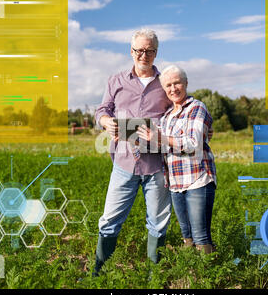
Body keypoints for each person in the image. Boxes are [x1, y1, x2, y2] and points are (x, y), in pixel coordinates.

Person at [93, 28, 173, 276]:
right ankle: (98, 273)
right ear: (132, 51)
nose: (144, 55)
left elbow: (181, 110)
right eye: (139, 50)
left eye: (149, 51)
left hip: (156, 166)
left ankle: (153, 278)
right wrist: (106, 122)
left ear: (156, 53)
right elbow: (101, 110)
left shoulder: (166, 82)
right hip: (124, 164)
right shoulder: (116, 80)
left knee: (158, 224)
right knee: (109, 222)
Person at [137, 64, 217, 253]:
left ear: (186, 83)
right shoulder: (166, 117)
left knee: (201, 236)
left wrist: (158, 137)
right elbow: (163, 145)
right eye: (168, 86)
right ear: (164, 90)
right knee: (187, 235)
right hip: (175, 182)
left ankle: (209, 276)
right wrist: (128, 137)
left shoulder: (197, 108)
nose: (173, 89)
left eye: (177, 83)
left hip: (197, 179)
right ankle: (191, 273)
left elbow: (193, 143)